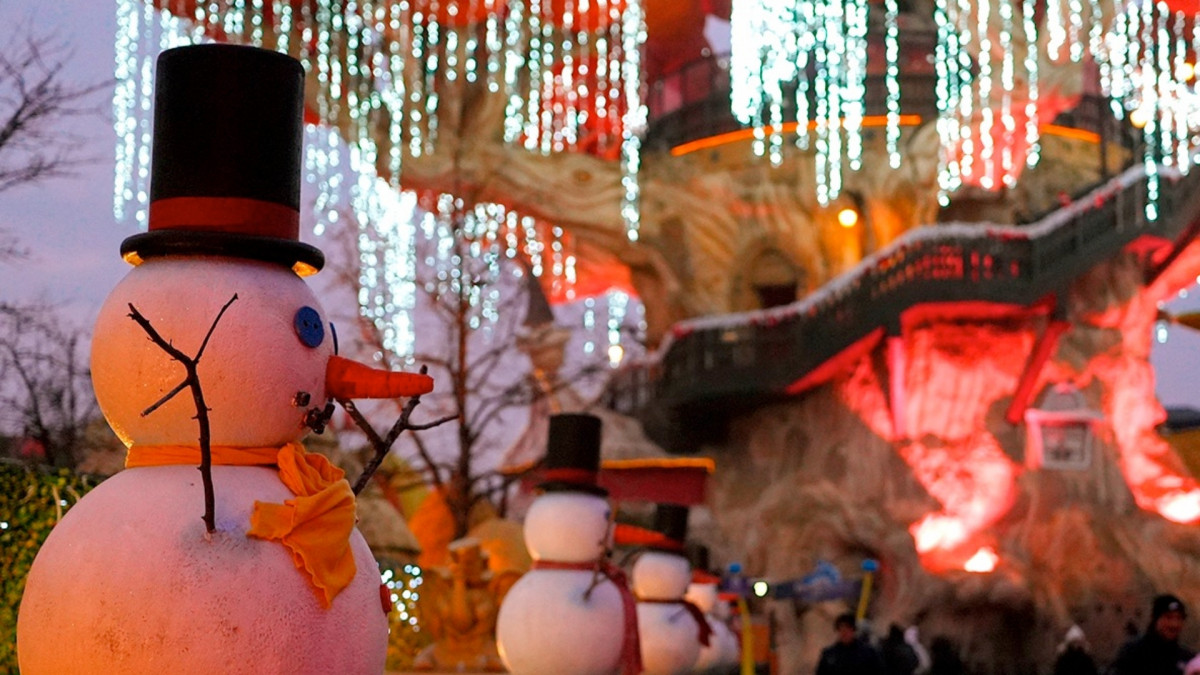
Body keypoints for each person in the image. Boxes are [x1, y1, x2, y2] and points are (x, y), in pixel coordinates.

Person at [1108, 593, 1195, 675]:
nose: (1174, 624)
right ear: (1155, 619)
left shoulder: (1187, 659)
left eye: (1179, 618)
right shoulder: (1133, 653)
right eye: (1168, 617)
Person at [816, 612, 885, 675]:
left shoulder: (868, 653)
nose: (844, 633)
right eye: (841, 629)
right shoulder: (830, 655)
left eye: (847, 629)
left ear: (853, 630)